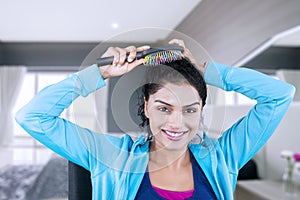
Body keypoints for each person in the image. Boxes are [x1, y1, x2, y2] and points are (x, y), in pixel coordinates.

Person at [15, 39, 295, 200]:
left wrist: (203, 71)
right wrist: (99, 74)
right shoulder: (111, 155)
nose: (177, 123)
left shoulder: (224, 155)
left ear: (201, 109)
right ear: (146, 107)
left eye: (190, 109)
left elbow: (280, 94)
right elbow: (32, 116)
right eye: (164, 108)